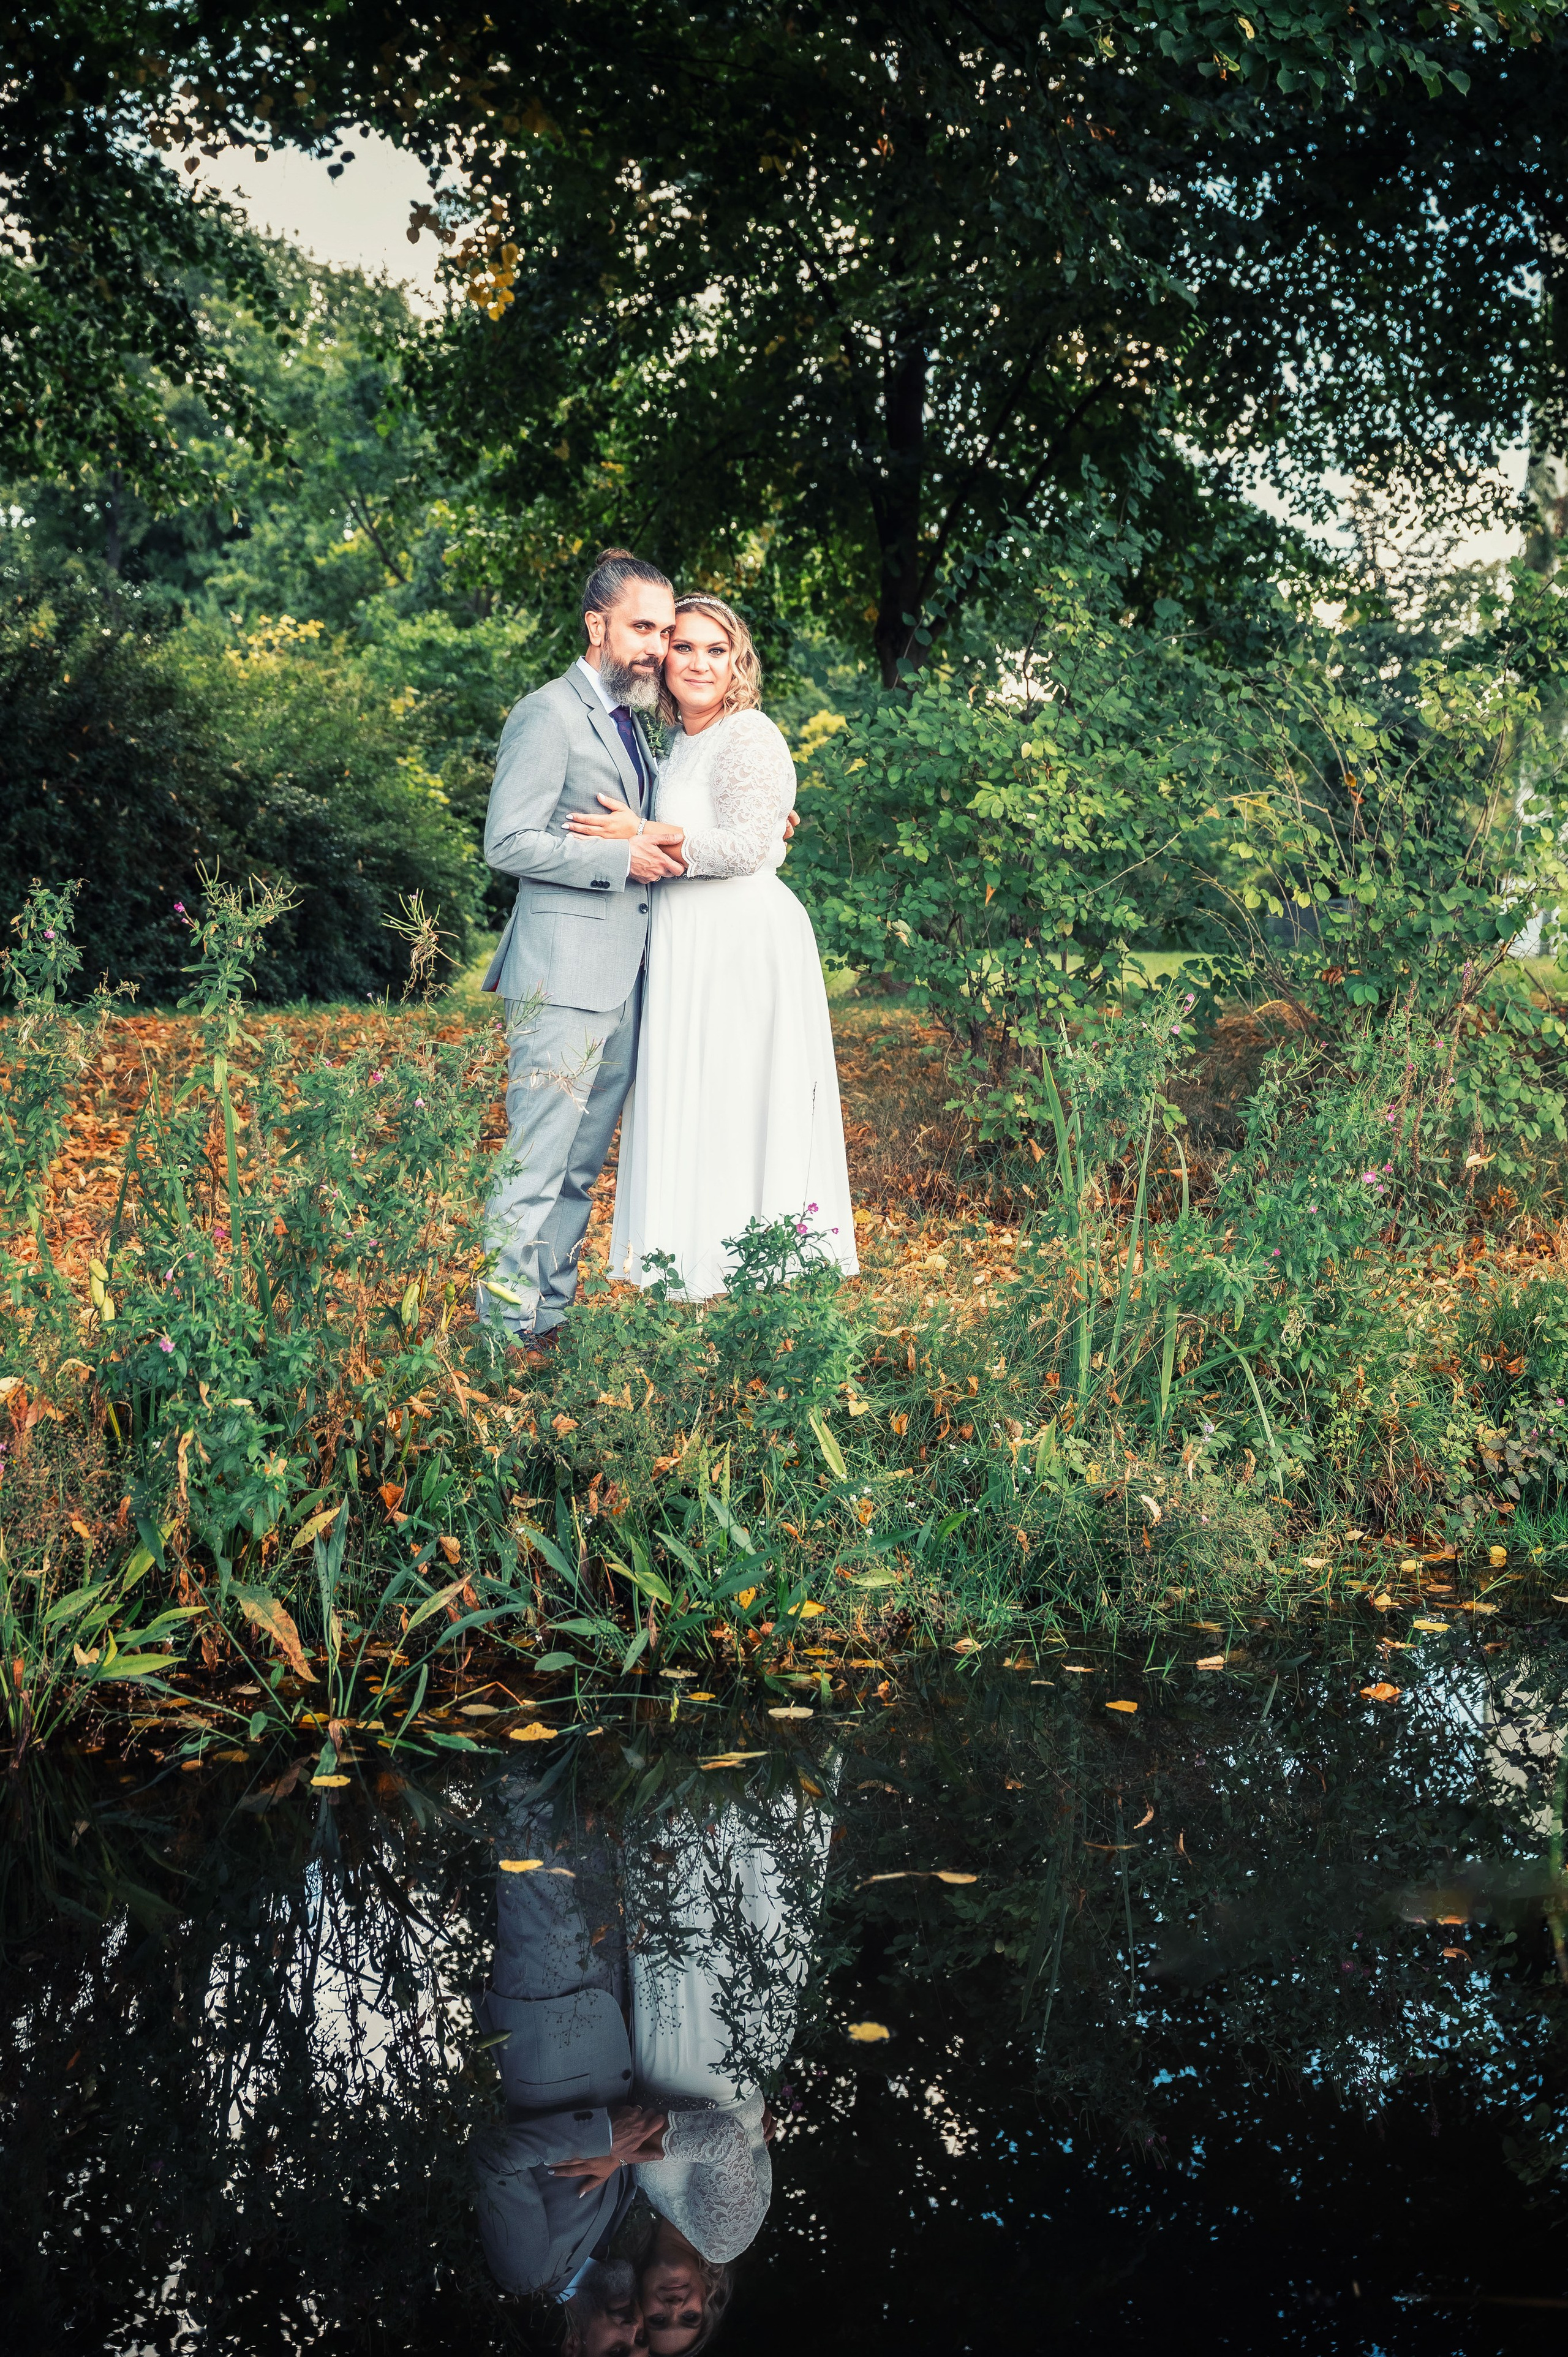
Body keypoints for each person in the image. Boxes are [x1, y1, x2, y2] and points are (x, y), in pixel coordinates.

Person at [567, 592, 857, 1301]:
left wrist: (648, 833)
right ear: (663, 659)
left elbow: (750, 846)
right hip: (687, 942)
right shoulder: (679, 741)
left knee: (737, 1099)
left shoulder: (750, 732)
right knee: (697, 1097)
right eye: (685, 647)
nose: (699, 662)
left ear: (738, 661)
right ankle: (691, 1262)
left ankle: (756, 1267)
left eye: (716, 649)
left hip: (740, 943)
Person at [476, 549, 682, 1355]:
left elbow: (657, 826)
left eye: (665, 631)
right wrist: (613, 860)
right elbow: (508, 841)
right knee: (535, 1167)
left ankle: (545, 1325)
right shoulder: (547, 715)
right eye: (643, 628)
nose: (658, 648)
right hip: (560, 982)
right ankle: (497, 1344)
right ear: (596, 624)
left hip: (624, 981)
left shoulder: (633, 724)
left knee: (579, 1170)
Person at [469, 1782, 667, 2298]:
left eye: (617, 2351)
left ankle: (512, 1716)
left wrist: (600, 2139)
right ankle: (571, 1715)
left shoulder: (528, 2272)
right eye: (640, 2344)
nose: (631, 2329)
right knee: (589, 1826)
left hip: (546, 2007)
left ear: (576, 2348)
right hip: (605, 2002)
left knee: (529, 1827)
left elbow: (490, 2158)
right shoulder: (611, 2246)